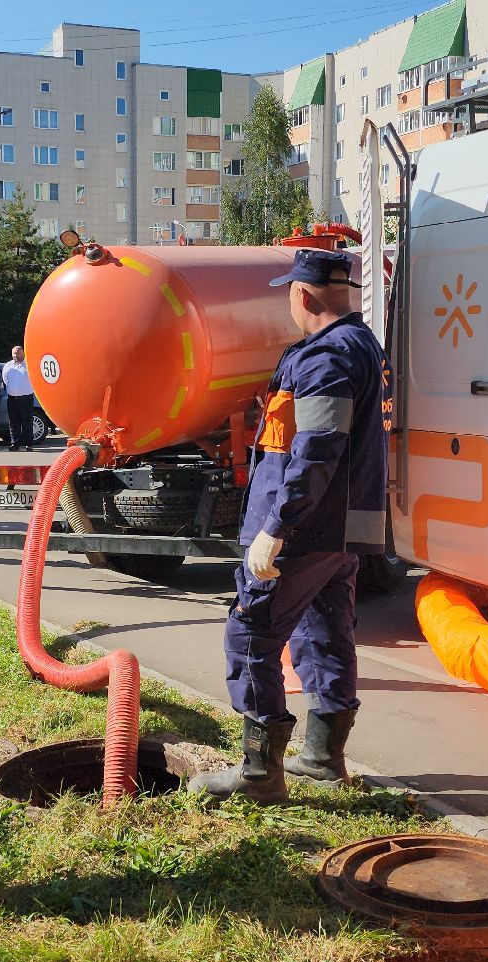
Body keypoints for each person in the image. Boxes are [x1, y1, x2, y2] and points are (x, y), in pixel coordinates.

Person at [190, 248, 388, 803]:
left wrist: (278, 527)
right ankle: (324, 756)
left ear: (302, 296)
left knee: (251, 630)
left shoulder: (326, 359)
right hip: (340, 531)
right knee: (324, 630)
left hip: (304, 528)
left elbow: (317, 451)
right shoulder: (359, 347)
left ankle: (259, 775)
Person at [2, 344, 37, 450]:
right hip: (12, 399)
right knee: (13, 422)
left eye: (18, 353)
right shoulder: (8, 366)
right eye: (14, 353)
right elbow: (5, 380)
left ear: (23, 353)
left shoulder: (29, 365)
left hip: (26, 398)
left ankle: (28, 444)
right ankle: (15, 443)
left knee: (27, 422)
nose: (16, 355)